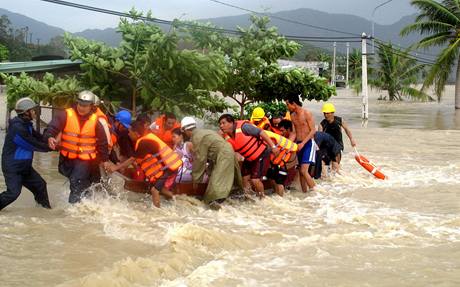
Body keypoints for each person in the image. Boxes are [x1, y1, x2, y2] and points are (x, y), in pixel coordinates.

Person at [44, 90, 112, 203]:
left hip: (84, 160)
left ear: (91, 106)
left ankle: (73, 210)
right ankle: (86, 204)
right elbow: (52, 127)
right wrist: (49, 136)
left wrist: (104, 160)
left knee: (76, 182)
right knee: (78, 183)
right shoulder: (65, 114)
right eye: (80, 104)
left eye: (85, 106)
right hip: (67, 158)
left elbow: (103, 142)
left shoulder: (96, 121)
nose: (82, 108)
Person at [108, 121, 181, 208]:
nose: (128, 134)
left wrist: (115, 168)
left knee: (154, 190)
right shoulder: (144, 139)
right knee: (161, 189)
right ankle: (177, 200)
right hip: (167, 166)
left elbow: (132, 159)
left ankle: (157, 213)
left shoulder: (144, 143)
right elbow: (137, 160)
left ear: (136, 133)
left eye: (130, 132)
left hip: (168, 168)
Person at [0, 98, 51, 210]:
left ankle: (45, 211)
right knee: (13, 193)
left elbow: (38, 137)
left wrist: (49, 139)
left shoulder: (26, 124)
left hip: (25, 167)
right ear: (26, 113)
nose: (34, 112)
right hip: (13, 168)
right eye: (32, 110)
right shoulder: (17, 128)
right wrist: (51, 148)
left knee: (40, 185)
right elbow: (32, 144)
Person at [181, 117, 243, 209]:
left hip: (223, 156)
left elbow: (200, 159)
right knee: (231, 184)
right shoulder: (204, 132)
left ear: (185, 130)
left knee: (214, 191)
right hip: (226, 153)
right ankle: (237, 202)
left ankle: (217, 209)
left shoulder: (197, 137)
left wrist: (196, 180)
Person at [219, 114, 279, 198]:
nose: (221, 126)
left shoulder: (244, 127)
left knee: (255, 180)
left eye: (223, 123)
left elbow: (261, 132)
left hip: (261, 153)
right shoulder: (226, 136)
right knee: (244, 179)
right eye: (220, 124)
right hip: (249, 157)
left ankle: (263, 199)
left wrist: (273, 146)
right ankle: (249, 198)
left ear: (231, 123)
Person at [285, 95, 317, 192]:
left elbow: (313, 131)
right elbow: (294, 133)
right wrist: (288, 145)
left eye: (287, 104)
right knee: (300, 171)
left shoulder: (306, 113)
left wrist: (303, 143)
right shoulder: (292, 116)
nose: (287, 107)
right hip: (298, 144)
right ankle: (305, 193)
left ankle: (317, 193)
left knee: (304, 170)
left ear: (293, 103)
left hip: (308, 144)